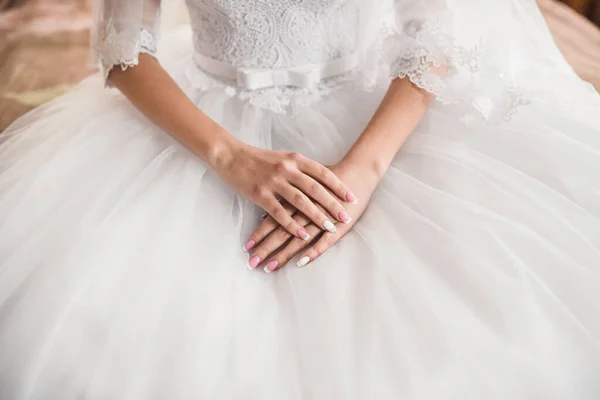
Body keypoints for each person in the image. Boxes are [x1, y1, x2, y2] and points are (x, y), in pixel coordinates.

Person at [1, 0, 599, 398]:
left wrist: (361, 172)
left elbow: (430, 42)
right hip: (208, 120)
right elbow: (125, 49)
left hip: (376, 120)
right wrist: (228, 155)